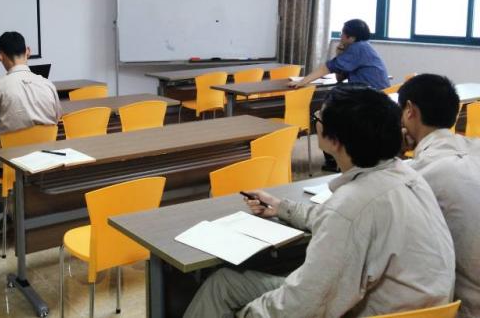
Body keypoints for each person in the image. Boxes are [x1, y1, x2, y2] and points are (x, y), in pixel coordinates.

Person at [184, 86, 455, 318]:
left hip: (367, 310)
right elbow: (343, 219)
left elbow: (305, 304)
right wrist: (282, 208)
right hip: (419, 307)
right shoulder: (407, 175)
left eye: (319, 119)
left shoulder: (352, 204)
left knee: (225, 290)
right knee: (224, 282)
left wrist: (247, 314)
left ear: (334, 140)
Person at [0, 31, 62, 243]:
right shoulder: (47, 84)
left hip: (10, 163)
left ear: (0, 55)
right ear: (27, 51)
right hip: (44, 158)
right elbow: (57, 118)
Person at [397, 74, 480, 318]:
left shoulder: (418, 174)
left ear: (410, 110)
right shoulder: (474, 148)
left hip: (465, 307)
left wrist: (392, 154)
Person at [290, 19, 390, 90]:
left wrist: (302, 82)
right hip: (379, 96)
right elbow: (340, 78)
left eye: (342, 33)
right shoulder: (364, 46)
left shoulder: (357, 48)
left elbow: (326, 68)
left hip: (372, 99)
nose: (340, 36)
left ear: (351, 37)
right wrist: (340, 54)